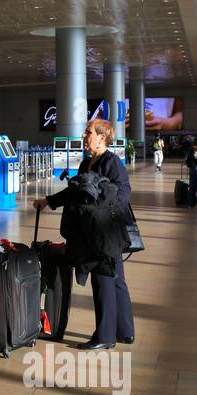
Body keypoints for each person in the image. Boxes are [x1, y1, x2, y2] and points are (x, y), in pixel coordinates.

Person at [32, 118, 134, 350]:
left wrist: (100, 210)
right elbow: (74, 191)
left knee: (103, 279)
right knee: (116, 279)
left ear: (102, 137)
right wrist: (49, 201)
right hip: (93, 231)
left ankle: (105, 336)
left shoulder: (112, 162)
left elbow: (123, 193)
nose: (84, 136)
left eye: (88, 132)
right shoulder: (87, 163)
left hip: (104, 232)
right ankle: (124, 330)